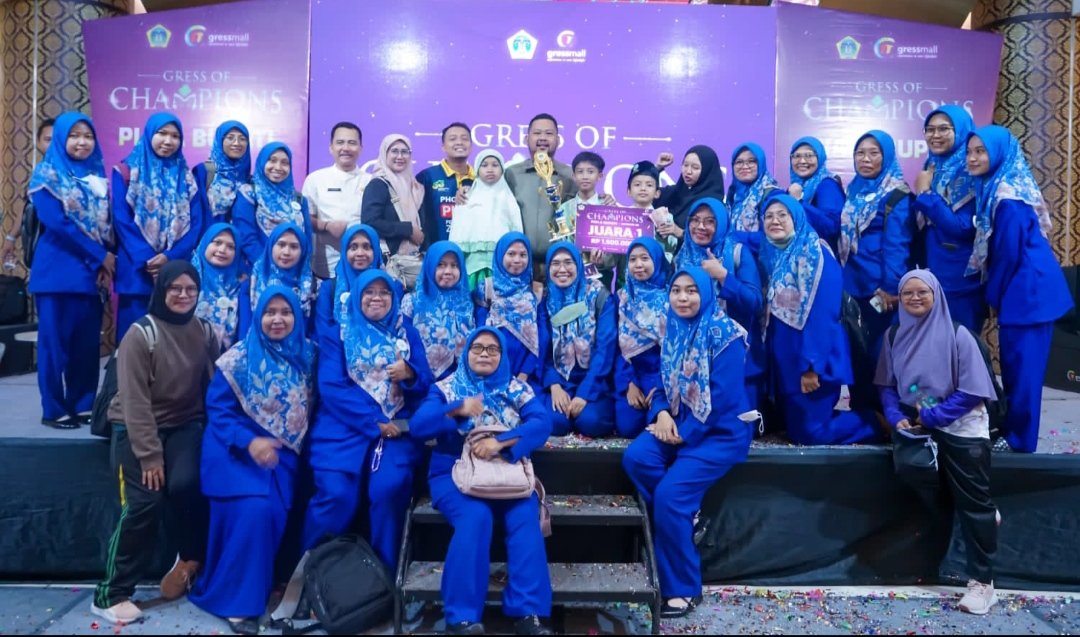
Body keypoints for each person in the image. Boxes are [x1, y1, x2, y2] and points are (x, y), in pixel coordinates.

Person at [622, 267, 752, 619]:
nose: (682, 298)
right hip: (679, 421)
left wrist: (684, 432)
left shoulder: (725, 334)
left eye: (692, 290)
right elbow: (662, 380)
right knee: (637, 458)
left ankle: (683, 589)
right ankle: (686, 518)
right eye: (676, 290)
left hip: (719, 432)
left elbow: (723, 398)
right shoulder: (673, 327)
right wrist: (662, 413)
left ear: (706, 293)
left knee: (670, 496)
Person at [92, 260, 217, 625]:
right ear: (162, 291)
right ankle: (111, 592)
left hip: (183, 424)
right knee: (143, 503)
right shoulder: (140, 334)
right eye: (175, 288)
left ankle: (189, 558)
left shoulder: (204, 331)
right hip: (134, 426)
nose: (183, 295)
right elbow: (134, 401)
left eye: (190, 289)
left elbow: (214, 382)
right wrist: (149, 456)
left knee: (188, 485)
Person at [409, 327, 553, 636]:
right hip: (454, 474)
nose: (484, 354)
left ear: (502, 355)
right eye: (477, 348)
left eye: (492, 349)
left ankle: (528, 613)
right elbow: (419, 426)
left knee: (525, 517)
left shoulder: (517, 389)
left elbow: (543, 423)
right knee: (475, 517)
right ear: (466, 353)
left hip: (507, 473)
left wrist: (501, 443)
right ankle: (461, 617)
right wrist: (456, 409)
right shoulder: (446, 387)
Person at [189, 286, 314, 636]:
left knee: (274, 513)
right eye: (269, 312)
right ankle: (236, 603)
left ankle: (258, 586)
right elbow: (219, 413)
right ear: (258, 317)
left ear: (297, 316)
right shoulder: (237, 360)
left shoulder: (307, 355)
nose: (277, 319)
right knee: (254, 512)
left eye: (285, 312)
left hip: (279, 456)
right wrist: (250, 442)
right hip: (235, 453)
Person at [875, 269, 999, 615]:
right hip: (921, 423)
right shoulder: (894, 335)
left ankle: (983, 583)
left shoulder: (959, 335)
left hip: (962, 424)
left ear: (936, 296)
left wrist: (934, 416)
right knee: (915, 471)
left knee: (974, 505)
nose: (915, 298)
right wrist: (893, 414)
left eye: (922, 292)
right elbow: (886, 384)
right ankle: (971, 507)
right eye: (908, 293)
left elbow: (973, 392)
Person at [302, 270, 433, 571]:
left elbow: (426, 382)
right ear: (357, 296)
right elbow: (332, 387)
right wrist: (373, 420)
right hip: (344, 427)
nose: (377, 298)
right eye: (369, 292)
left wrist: (410, 374)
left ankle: (384, 576)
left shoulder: (406, 331)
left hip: (396, 428)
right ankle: (313, 574)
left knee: (388, 489)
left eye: (384, 292)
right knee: (336, 495)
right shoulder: (339, 332)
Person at [966, 125, 1073, 453]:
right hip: (1025, 289)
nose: (972, 158)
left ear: (998, 153)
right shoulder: (999, 186)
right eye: (969, 152)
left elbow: (1008, 255)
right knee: (1016, 364)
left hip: (1029, 293)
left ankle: (1021, 441)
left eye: (981, 151)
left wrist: (992, 294)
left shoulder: (1008, 198)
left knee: (1023, 368)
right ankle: (1014, 429)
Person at [760, 195, 878, 444]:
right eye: (768, 216)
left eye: (783, 215)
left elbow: (823, 317)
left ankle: (873, 422)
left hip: (813, 360)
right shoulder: (780, 254)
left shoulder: (815, 254)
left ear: (797, 218)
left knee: (812, 433)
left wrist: (812, 367)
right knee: (796, 430)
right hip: (787, 361)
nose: (774, 221)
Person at [26, 112, 113, 428]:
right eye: (74, 135)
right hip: (58, 273)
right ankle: (53, 408)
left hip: (90, 274)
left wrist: (104, 261)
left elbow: (107, 226)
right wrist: (101, 256)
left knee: (86, 344)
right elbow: (58, 224)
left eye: (88, 136)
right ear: (62, 139)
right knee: (54, 346)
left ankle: (83, 403)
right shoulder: (46, 175)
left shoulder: (96, 176)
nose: (82, 142)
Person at [838, 130, 915, 413]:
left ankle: (887, 415)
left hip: (880, 289)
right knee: (856, 352)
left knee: (880, 354)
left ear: (887, 156)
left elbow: (897, 245)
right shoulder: (853, 191)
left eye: (874, 153)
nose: (866, 159)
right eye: (860, 153)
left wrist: (892, 288)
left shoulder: (897, 194)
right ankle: (863, 413)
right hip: (851, 284)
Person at [112, 112, 204, 340]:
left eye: (175, 136)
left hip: (175, 273)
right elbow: (121, 219)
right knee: (133, 340)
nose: (168, 141)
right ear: (149, 134)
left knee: (171, 342)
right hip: (137, 272)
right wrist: (149, 259)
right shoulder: (125, 171)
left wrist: (170, 257)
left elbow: (196, 224)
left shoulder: (187, 178)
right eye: (162, 133)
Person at [674, 198, 766, 414]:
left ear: (722, 224)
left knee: (737, 421)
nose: (700, 227)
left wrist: (723, 276)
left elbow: (754, 302)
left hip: (736, 356)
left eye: (710, 221)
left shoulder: (737, 253)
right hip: (692, 358)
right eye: (695, 220)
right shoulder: (682, 256)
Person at [912, 106, 985, 333]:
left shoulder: (970, 170)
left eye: (944, 129)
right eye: (930, 129)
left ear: (960, 130)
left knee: (961, 342)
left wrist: (925, 195)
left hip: (961, 276)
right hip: (933, 269)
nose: (935, 135)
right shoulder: (932, 165)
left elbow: (962, 227)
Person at [542, 242, 617, 437]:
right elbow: (542, 349)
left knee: (591, 422)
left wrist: (585, 393)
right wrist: (554, 385)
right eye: (555, 264)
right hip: (561, 380)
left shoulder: (599, 296)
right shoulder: (544, 300)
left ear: (579, 264)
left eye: (568, 262)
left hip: (594, 380)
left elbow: (605, 349)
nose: (562, 269)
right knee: (555, 423)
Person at [478, 232, 547, 395]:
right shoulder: (486, 288)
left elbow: (543, 335)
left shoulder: (536, 290)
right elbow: (479, 331)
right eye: (511, 254)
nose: (517, 260)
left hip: (527, 372)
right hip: (490, 370)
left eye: (523, 255)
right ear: (500, 255)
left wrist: (525, 373)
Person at [504, 113, 578, 266]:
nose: (543, 138)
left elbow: (584, 205)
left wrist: (604, 201)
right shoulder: (511, 174)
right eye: (537, 133)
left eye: (549, 133)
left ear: (558, 140)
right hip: (519, 263)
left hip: (558, 265)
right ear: (526, 139)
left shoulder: (571, 175)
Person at [614, 237, 669, 438]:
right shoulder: (621, 299)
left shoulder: (672, 299)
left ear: (657, 260)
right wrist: (629, 383)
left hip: (663, 376)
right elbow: (615, 349)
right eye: (633, 259)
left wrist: (662, 387)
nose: (638, 265)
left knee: (656, 424)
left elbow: (678, 351)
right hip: (631, 374)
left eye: (645, 258)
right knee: (628, 427)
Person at [401, 242, 477, 382]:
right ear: (430, 266)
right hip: (421, 377)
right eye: (440, 265)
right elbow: (403, 338)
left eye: (454, 265)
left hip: (459, 378)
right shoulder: (412, 301)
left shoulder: (467, 302)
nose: (448, 271)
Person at [447, 149, 522, 291]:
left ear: (502, 169)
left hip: (502, 262)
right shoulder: (466, 197)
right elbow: (458, 228)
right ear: (477, 169)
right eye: (484, 165)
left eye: (495, 165)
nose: (490, 169)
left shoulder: (508, 198)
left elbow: (517, 229)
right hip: (472, 264)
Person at [303, 122, 370, 278]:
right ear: (331, 147)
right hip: (325, 266)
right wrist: (326, 226)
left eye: (352, 143)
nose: (345, 148)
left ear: (361, 148)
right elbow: (305, 219)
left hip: (363, 265)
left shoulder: (371, 181)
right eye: (340, 142)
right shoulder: (315, 179)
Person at [233, 142, 313, 268]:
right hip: (259, 269)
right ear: (262, 162)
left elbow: (307, 242)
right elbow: (246, 238)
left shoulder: (299, 200)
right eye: (272, 160)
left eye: (284, 163)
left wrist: (300, 269)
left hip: (293, 272)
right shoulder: (249, 194)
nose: (278, 167)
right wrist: (269, 268)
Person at [238, 222, 315, 338]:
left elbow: (314, 333)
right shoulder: (251, 285)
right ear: (270, 247)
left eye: (294, 247)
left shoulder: (313, 287)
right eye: (281, 245)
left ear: (303, 251)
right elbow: (244, 330)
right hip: (256, 346)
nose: (286, 252)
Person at [313, 223, 383, 343]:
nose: (360, 253)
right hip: (338, 350)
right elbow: (324, 330)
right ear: (344, 252)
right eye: (353, 248)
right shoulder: (329, 288)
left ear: (376, 251)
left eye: (366, 247)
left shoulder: (390, 288)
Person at [361, 133, 425, 259]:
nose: (400, 156)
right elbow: (370, 222)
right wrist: (408, 229)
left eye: (405, 152)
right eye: (394, 151)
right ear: (385, 154)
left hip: (415, 260)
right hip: (388, 260)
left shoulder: (415, 186)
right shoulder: (378, 185)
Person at [3, 117, 54, 269]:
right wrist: (11, 237)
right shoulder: (41, 173)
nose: (53, 145)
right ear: (38, 142)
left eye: (58, 140)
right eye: (48, 140)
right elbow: (29, 207)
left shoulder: (77, 173)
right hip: (43, 246)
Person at [417, 122, 475, 247]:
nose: (459, 142)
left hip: (471, 251)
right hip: (436, 250)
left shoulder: (479, 180)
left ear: (471, 146)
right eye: (453, 139)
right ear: (443, 146)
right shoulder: (427, 177)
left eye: (464, 139)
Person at [654, 145, 726, 243]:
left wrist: (679, 232)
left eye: (695, 167)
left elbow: (713, 239)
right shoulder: (677, 192)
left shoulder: (712, 203)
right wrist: (657, 168)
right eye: (685, 165)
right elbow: (646, 193)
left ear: (706, 171)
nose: (688, 171)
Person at [192, 223, 245, 352]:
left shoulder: (242, 286)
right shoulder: (188, 278)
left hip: (227, 357)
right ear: (205, 243)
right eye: (217, 242)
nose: (222, 250)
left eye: (231, 247)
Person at [786, 136, 844, 251]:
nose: (802, 161)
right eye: (797, 156)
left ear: (820, 158)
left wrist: (799, 201)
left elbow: (831, 227)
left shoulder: (827, 185)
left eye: (809, 155)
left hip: (821, 255)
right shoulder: (798, 186)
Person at [193, 120, 251, 229]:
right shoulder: (204, 172)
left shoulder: (250, 180)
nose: (236, 143)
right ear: (220, 140)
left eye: (242, 139)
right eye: (230, 138)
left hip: (241, 239)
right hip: (210, 237)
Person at [726, 142, 779, 248]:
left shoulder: (772, 195)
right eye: (739, 162)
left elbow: (775, 237)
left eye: (752, 161)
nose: (745, 166)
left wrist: (732, 236)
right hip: (732, 256)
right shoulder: (733, 195)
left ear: (761, 164)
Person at [627, 160, 678, 266]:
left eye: (649, 185)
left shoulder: (665, 216)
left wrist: (663, 233)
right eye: (637, 184)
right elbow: (612, 259)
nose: (643, 188)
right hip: (625, 275)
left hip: (657, 273)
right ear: (629, 191)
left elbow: (671, 247)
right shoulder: (621, 217)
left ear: (657, 193)